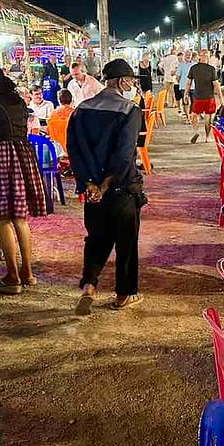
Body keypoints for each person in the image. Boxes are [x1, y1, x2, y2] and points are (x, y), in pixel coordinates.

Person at [67, 59, 146, 314]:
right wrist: (104, 185)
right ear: (123, 81)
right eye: (131, 80)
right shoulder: (130, 110)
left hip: (92, 192)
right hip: (121, 189)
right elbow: (124, 156)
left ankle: (89, 285)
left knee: (96, 239)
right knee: (126, 242)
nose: (133, 85)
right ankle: (123, 295)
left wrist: (90, 184)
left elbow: (75, 150)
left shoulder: (81, 109)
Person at [0, 62, 46, 294]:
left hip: (2, 155)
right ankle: (27, 273)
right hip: (23, 153)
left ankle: (12, 276)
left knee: (1, 217)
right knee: (20, 217)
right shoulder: (17, 99)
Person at [184, 48, 222, 143]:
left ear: (199, 57)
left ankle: (196, 130)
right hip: (209, 97)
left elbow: (188, 83)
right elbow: (216, 85)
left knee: (194, 115)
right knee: (208, 117)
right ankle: (207, 137)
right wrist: (221, 98)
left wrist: (185, 94)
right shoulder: (211, 69)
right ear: (207, 57)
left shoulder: (194, 68)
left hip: (198, 96)